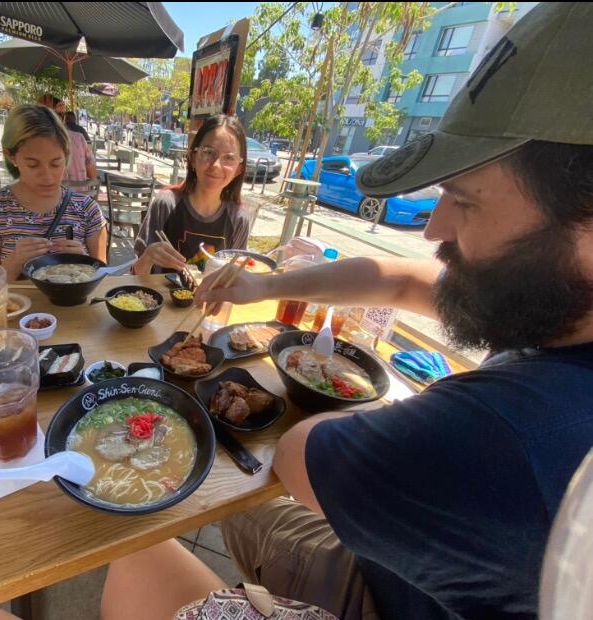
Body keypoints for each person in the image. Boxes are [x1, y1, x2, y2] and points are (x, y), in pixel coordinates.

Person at [100, 4, 593, 620]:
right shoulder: (560, 311)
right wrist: (262, 287)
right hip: (411, 564)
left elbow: (298, 453)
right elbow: (401, 276)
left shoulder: (506, 431)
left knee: (141, 551)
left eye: (465, 200)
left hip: (376, 592)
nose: (435, 226)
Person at [0, 104, 107, 280]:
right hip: (15, 307)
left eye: (56, 163)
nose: (47, 176)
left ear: (67, 155)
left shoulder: (87, 210)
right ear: (11, 156)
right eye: (33, 164)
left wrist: (85, 262)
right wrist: (15, 260)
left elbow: (103, 279)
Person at [132, 114, 250, 277]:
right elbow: (134, 276)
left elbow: (233, 282)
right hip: (161, 301)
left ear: (239, 169)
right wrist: (148, 256)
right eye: (209, 152)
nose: (216, 165)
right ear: (193, 158)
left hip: (209, 302)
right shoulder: (167, 203)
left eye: (229, 158)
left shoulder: (238, 219)